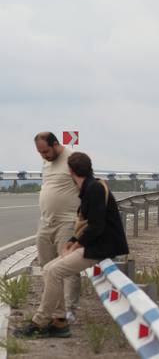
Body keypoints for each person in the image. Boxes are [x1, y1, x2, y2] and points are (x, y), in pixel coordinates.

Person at [14, 152, 129, 338]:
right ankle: (59, 321)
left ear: (70, 171)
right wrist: (74, 241)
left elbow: (97, 226)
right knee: (49, 268)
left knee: (53, 271)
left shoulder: (94, 189)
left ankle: (39, 322)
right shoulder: (90, 187)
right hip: (95, 244)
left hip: (100, 247)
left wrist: (77, 243)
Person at [33, 132, 81, 321]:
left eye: (45, 151)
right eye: (39, 152)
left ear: (55, 144)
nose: (43, 155)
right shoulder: (46, 162)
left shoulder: (72, 159)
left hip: (67, 222)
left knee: (67, 267)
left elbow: (85, 187)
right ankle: (57, 311)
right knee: (47, 267)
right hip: (46, 222)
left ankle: (69, 310)